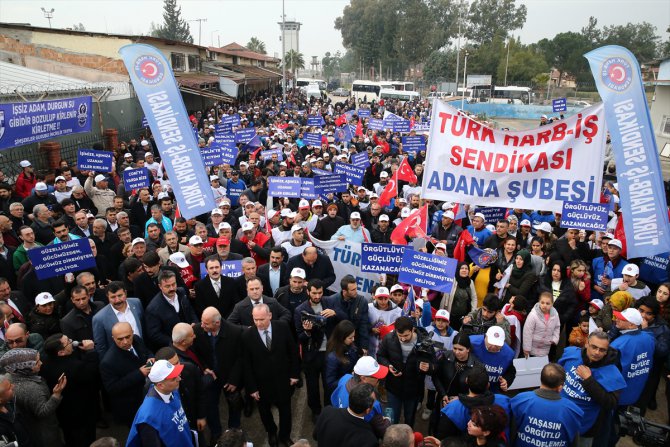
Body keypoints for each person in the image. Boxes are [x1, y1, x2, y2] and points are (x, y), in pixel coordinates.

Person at [241, 304, 300, 447]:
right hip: (262, 384)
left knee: (286, 411)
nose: (258, 323)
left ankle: (284, 436)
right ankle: (271, 432)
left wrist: (294, 374)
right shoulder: (247, 336)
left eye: (261, 319)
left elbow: (293, 352)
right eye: (255, 320)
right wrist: (252, 388)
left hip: (283, 380)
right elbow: (246, 365)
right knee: (264, 412)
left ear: (270, 316)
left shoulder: (282, 327)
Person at [558, 331, 626, 446]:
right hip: (559, 417)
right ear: (586, 344)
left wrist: (589, 380)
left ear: (606, 351)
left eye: (602, 350)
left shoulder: (612, 372)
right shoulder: (571, 354)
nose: (597, 352)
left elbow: (611, 403)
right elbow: (558, 371)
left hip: (585, 428)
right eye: (594, 347)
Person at [294, 279, 344, 419]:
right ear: (308, 292)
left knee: (329, 384)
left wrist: (335, 313)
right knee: (312, 387)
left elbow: (344, 319)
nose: (317, 296)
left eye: (320, 292)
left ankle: (329, 410)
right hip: (312, 355)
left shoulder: (330, 302)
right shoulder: (300, 310)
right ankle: (316, 411)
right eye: (314, 293)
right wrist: (307, 332)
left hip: (330, 353)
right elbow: (299, 337)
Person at [191, 307, 244, 436]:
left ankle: (233, 432)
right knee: (210, 406)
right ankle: (216, 434)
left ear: (217, 323)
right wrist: (204, 368)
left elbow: (241, 358)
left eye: (206, 323)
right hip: (210, 378)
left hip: (229, 379)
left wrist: (234, 380)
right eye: (202, 321)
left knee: (234, 405)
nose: (202, 325)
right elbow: (196, 353)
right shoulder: (197, 330)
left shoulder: (235, 332)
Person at [40, 333, 99, 447]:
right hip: (82, 412)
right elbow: (92, 372)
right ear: (61, 352)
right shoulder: (75, 367)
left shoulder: (45, 362)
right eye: (68, 342)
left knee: (70, 438)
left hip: (63, 412)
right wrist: (90, 352)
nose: (72, 341)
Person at [0, 348, 66, 447]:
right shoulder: (31, 389)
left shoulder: (9, 376)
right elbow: (43, 411)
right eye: (36, 362)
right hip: (43, 435)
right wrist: (56, 394)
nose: (41, 363)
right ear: (23, 367)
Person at [377, 316, 433, 427]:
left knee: (409, 419)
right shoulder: (388, 339)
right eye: (400, 336)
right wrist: (389, 366)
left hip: (413, 388)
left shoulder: (425, 342)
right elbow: (380, 355)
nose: (403, 339)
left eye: (406, 335)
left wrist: (428, 367)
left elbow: (434, 364)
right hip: (393, 387)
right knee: (393, 419)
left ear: (413, 330)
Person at [510, 363, 583, 447]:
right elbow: (574, 442)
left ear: (541, 379)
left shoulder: (520, 400)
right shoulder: (572, 411)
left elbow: (511, 433)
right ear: (560, 387)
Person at [126, 359, 195, 447]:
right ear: (160, 385)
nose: (179, 378)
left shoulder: (172, 391)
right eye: (174, 378)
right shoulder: (148, 418)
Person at [99, 322, 153, 426]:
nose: (125, 342)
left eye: (128, 337)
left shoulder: (137, 339)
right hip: (132, 405)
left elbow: (146, 351)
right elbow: (112, 388)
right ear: (113, 338)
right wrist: (139, 373)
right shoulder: (108, 362)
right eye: (120, 339)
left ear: (132, 333)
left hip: (149, 395)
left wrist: (151, 357)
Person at [436, 365, 510, 439]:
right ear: (488, 385)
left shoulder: (452, 409)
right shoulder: (504, 401)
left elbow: (443, 437)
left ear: (466, 381)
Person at [430, 332, 483, 434]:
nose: (456, 352)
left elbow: (480, 391)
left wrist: (460, 398)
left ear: (468, 349)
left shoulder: (477, 366)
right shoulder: (445, 356)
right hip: (443, 401)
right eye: (454, 348)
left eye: (460, 349)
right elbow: (436, 376)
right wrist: (443, 394)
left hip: (463, 405)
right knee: (438, 427)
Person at [331, 355, 391, 438]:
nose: (379, 380)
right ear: (363, 378)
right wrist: (388, 420)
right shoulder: (371, 403)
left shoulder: (344, 379)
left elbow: (333, 399)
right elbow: (383, 431)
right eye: (377, 377)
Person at [313, 382, 379, 447]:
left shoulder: (327, 412)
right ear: (368, 410)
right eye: (374, 402)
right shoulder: (368, 440)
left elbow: (315, 436)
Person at [145, 270, 198, 349]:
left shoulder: (182, 292)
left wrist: (195, 323)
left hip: (192, 340)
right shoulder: (153, 308)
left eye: (173, 284)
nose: (172, 288)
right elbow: (154, 335)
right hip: (175, 348)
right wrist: (175, 342)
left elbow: (190, 311)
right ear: (160, 286)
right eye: (167, 286)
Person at [92, 281, 145, 358]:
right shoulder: (99, 318)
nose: (117, 300)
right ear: (107, 297)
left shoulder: (136, 303)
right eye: (113, 297)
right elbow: (101, 347)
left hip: (143, 353)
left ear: (125, 293)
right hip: (121, 359)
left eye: (120, 295)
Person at [227, 276, 292, 327]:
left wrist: (275, 325)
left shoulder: (272, 302)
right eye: (252, 289)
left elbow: (287, 314)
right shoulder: (239, 306)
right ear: (247, 290)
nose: (255, 291)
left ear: (262, 288)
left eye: (257, 288)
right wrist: (245, 329)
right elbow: (229, 323)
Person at [469, 326, 516, 393]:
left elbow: (511, 371)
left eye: (497, 344)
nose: (494, 347)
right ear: (485, 337)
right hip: (471, 389)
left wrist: (506, 381)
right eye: (491, 343)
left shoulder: (508, 353)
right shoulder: (472, 343)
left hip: (493, 391)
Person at [332, 275, 370, 353]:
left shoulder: (362, 302)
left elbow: (364, 326)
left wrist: (364, 347)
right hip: (336, 344)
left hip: (355, 344)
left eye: (356, 288)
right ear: (344, 291)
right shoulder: (332, 300)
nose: (356, 291)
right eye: (353, 290)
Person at [522, 292, 561, 359]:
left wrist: (555, 339)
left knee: (542, 366)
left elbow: (557, 327)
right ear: (539, 302)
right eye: (542, 302)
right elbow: (527, 332)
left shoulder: (555, 315)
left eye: (547, 303)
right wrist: (526, 348)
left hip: (545, 348)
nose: (544, 305)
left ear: (552, 304)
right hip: (532, 348)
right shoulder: (533, 315)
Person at [440, 262, 477, 331]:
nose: (464, 270)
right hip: (450, 315)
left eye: (466, 268)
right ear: (458, 270)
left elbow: (474, 298)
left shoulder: (470, 282)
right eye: (462, 268)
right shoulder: (452, 280)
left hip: (464, 317)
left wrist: (472, 314)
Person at [367, 286, 402, 356]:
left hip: (386, 345)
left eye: (385, 298)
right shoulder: (369, 307)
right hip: (370, 343)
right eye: (380, 298)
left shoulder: (398, 311)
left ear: (389, 297)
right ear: (375, 297)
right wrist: (371, 328)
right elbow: (363, 323)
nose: (383, 301)